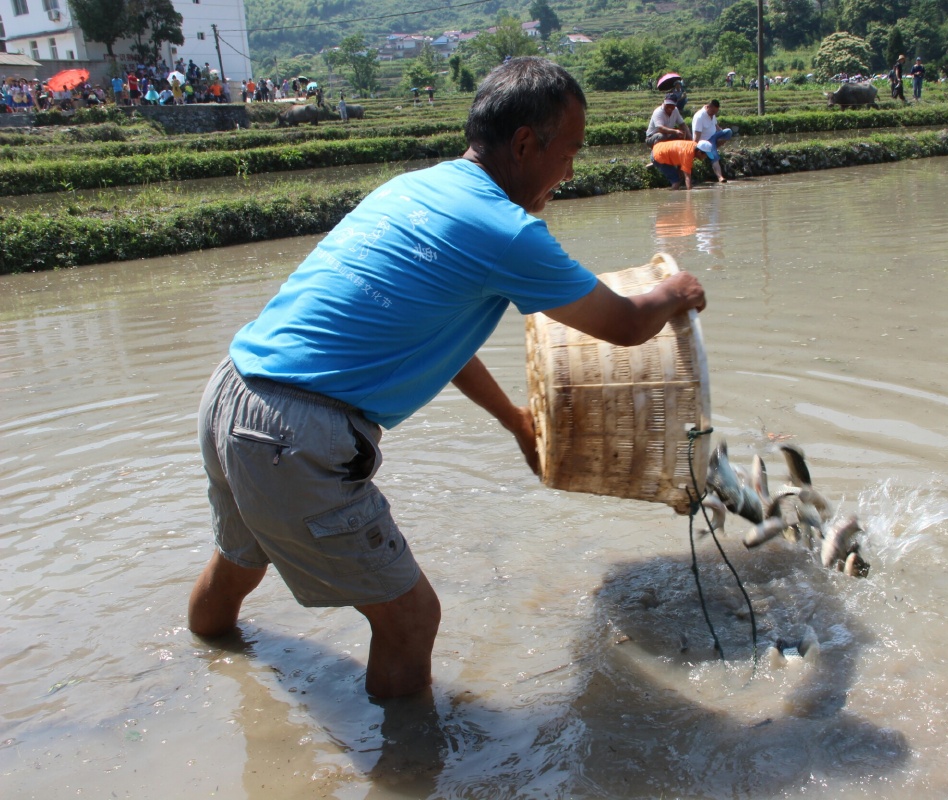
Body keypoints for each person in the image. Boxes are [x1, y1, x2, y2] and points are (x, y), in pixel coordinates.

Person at [186, 57, 706, 700]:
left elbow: (432, 338)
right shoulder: (507, 231)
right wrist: (675, 290)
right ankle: (408, 753)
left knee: (237, 564)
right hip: (293, 434)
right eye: (569, 152)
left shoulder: (412, 189)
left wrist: (516, 421)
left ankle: (198, 676)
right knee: (410, 619)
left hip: (232, 395)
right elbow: (625, 325)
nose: (571, 172)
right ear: (525, 144)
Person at [651, 138, 722, 189]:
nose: (706, 157)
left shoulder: (694, 145)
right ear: (699, 152)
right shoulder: (688, 154)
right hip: (658, 156)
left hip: (659, 148)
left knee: (680, 176)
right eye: (706, 155)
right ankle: (672, 201)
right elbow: (687, 177)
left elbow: (680, 157)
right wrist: (689, 194)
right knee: (676, 182)